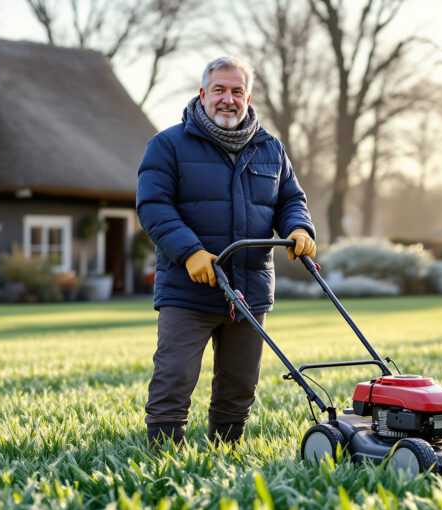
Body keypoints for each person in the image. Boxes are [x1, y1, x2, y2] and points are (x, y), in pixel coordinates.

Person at [136, 56, 317, 450]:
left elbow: (290, 199)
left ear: (247, 97)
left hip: (249, 289)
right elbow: (154, 206)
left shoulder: (271, 148)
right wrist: (190, 253)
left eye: (237, 91)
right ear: (203, 94)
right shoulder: (167, 145)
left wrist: (299, 227)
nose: (228, 99)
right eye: (219, 90)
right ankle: (164, 454)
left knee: (240, 381)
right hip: (190, 286)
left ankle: (225, 449)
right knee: (175, 374)